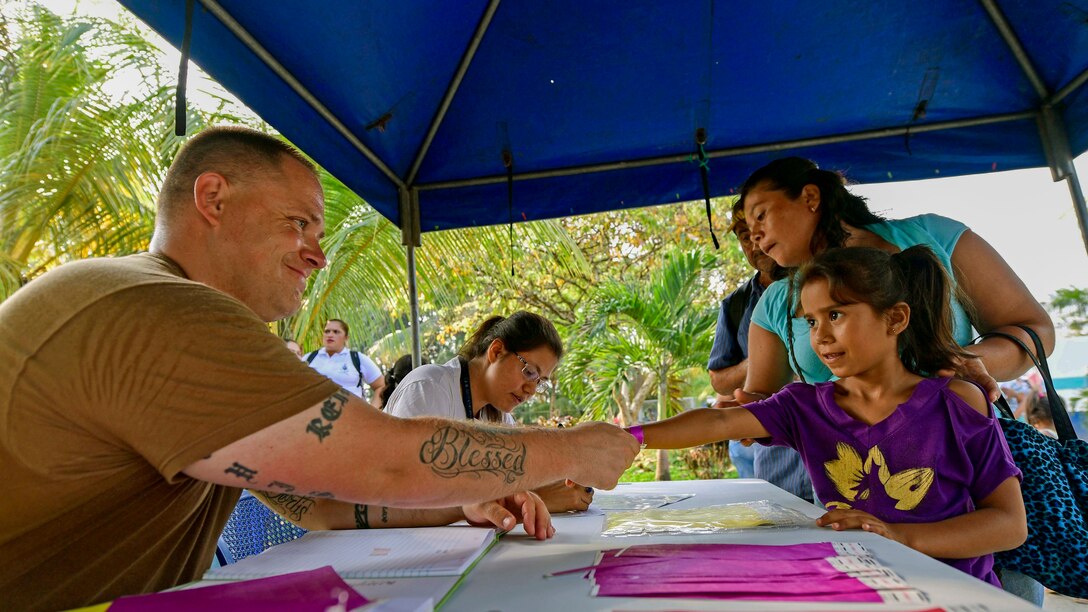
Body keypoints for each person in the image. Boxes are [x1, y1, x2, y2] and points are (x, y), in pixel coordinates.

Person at [0, 126, 639, 610]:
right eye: (299, 223)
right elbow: (381, 457)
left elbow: (317, 503)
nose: (317, 255)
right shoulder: (151, 309)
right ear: (213, 198)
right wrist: (571, 451)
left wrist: (459, 506)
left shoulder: (162, 308)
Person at [735, 156, 1052, 603]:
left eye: (761, 215)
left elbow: (1034, 327)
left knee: (996, 598)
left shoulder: (934, 238)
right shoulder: (773, 301)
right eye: (749, 228)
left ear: (809, 197)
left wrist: (968, 360)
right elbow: (761, 396)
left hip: (972, 495)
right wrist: (744, 411)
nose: (755, 234)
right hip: (852, 504)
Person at [630, 245, 1027, 587]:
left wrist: (898, 536)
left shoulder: (958, 402)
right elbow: (718, 422)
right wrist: (628, 437)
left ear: (895, 318)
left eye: (836, 315)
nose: (820, 336)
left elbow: (1010, 524)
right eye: (811, 321)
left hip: (957, 592)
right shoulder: (802, 406)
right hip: (861, 590)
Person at [386, 312, 595, 514]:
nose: (531, 390)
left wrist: (553, 483)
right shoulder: (429, 387)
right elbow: (411, 489)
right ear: (496, 351)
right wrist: (535, 496)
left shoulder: (499, 415)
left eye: (540, 383)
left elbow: (512, 477)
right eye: (530, 372)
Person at [708, 201, 809, 497]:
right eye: (744, 235)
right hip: (771, 447)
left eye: (760, 230)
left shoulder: (823, 286)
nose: (756, 242)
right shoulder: (737, 305)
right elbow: (718, 379)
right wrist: (764, 360)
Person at [305, 319, 386, 408]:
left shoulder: (357, 358)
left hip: (351, 416)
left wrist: (373, 411)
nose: (330, 335)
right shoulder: (309, 358)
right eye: (327, 331)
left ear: (346, 337)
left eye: (336, 332)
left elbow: (381, 385)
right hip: (313, 417)